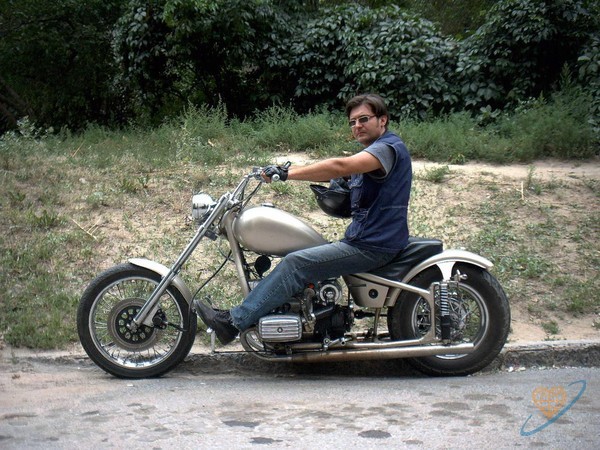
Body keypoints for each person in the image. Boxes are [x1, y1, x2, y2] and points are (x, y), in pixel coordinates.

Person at [194, 93, 412, 345]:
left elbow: (340, 166)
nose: (357, 126)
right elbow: (336, 175)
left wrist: (286, 174)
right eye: (352, 122)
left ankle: (233, 323)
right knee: (301, 254)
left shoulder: (386, 149)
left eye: (364, 119)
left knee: (296, 264)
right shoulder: (374, 154)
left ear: (382, 120)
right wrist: (285, 171)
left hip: (372, 245)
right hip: (368, 238)